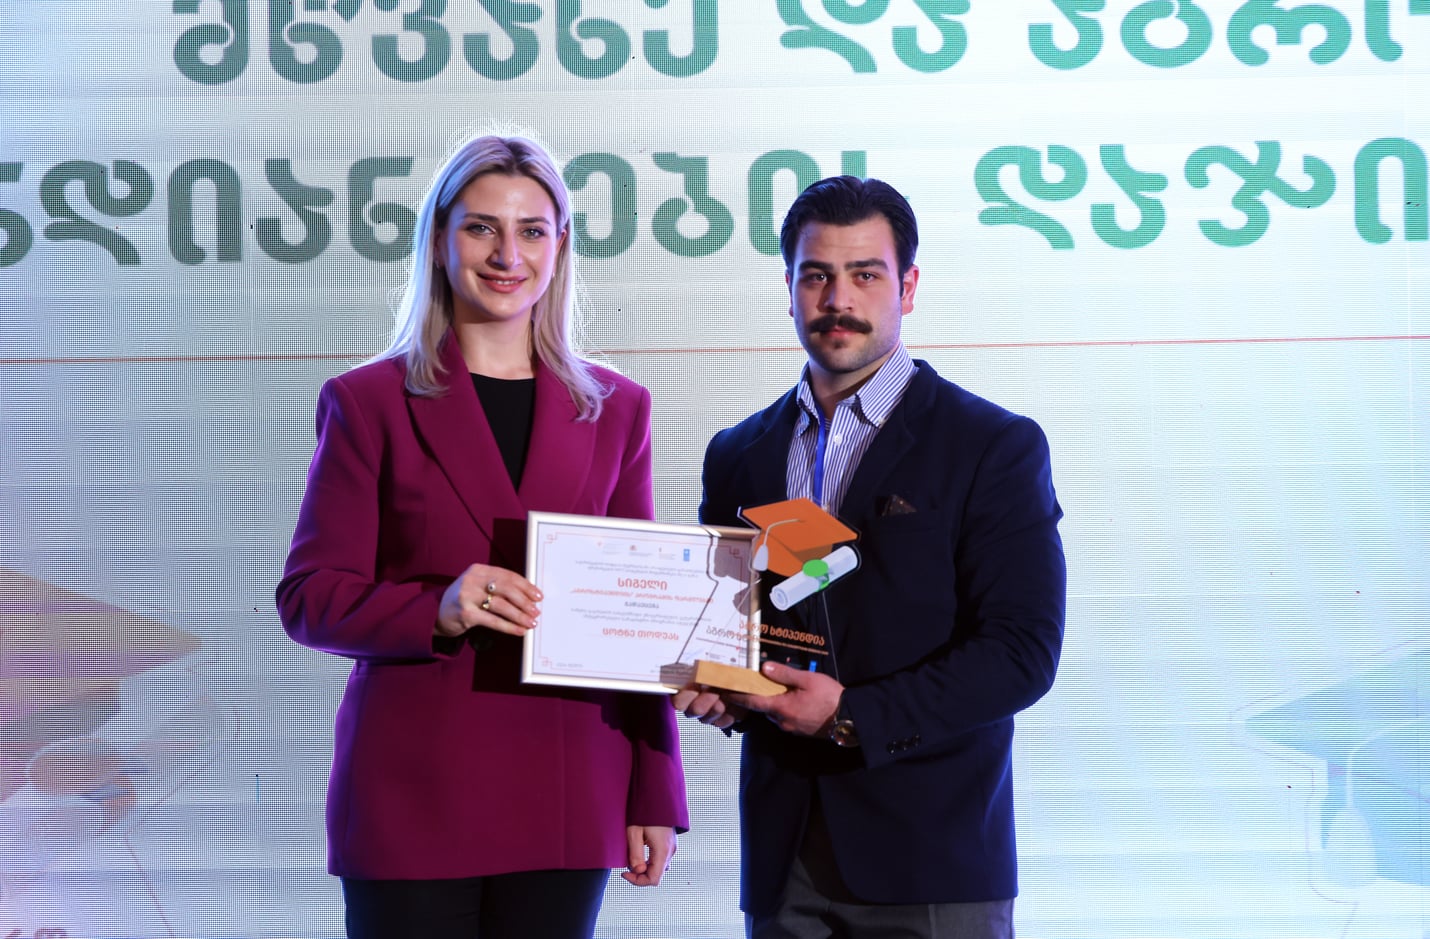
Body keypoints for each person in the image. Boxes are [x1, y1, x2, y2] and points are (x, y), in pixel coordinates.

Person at [277, 133, 687, 939]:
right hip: (415, 786)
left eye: (532, 230)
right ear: (439, 239)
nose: (508, 255)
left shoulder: (618, 409)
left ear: (560, 246)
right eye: (481, 228)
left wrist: (654, 789)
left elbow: (640, 621)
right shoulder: (367, 402)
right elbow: (309, 597)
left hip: (570, 782)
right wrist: (437, 607)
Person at [675, 175, 1066, 938]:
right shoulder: (738, 454)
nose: (838, 299)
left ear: (908, 287)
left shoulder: (991, 445)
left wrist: (852, 716)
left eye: (865, 274)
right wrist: (721, 686)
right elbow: (734, 630)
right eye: (816, 275)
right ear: (788, 288)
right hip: (784, 858)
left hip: (932, 859)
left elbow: (1022, 653)